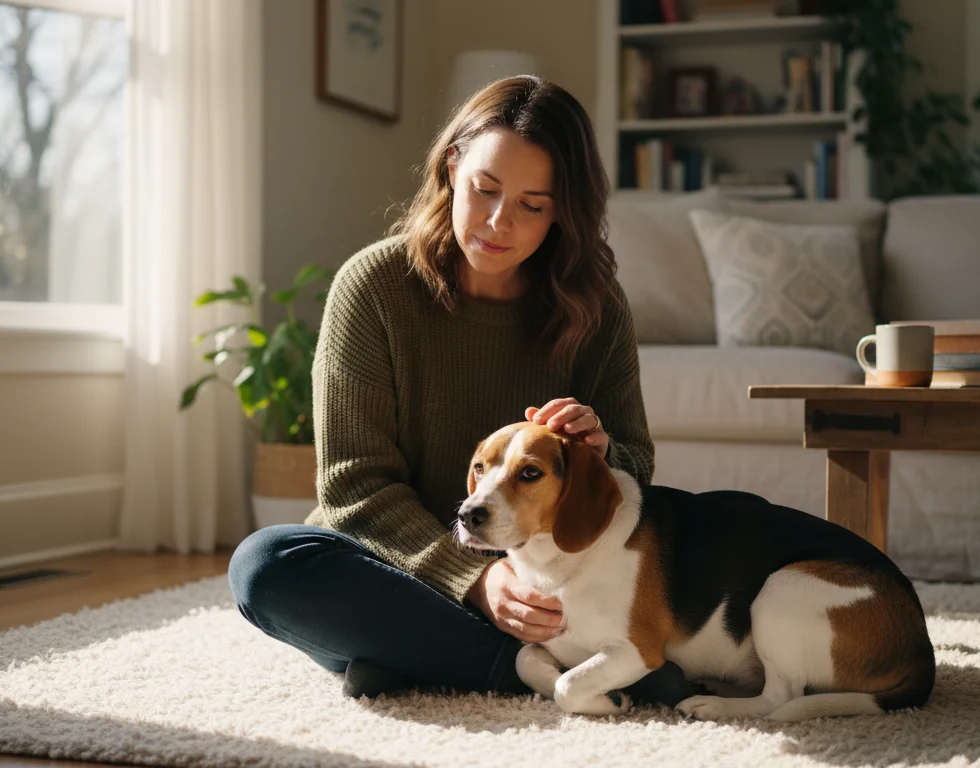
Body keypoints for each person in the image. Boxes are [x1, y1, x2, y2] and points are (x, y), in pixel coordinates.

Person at [227, 75, 692, 705]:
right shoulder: (373, 288)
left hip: (545, 589)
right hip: (403, 569)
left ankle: (409, 659)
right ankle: (518, 668)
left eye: (533, 204)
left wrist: (602, 452)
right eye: (485, 189)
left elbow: (638, 471)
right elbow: (353, 488)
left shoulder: (595, 308)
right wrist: (474, 581)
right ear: (452, 168)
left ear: (564, 211)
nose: (500, 222)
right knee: (267, 566)